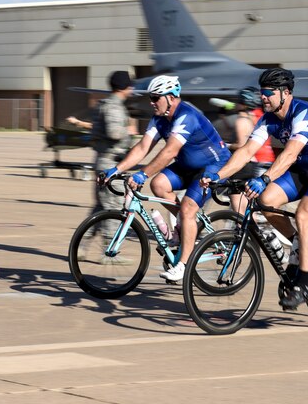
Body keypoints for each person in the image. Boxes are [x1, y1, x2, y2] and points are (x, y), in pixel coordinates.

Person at [203, 68, 308, 310]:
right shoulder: (268, 119)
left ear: (285, 93)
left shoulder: (304, 113)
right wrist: (217, 175)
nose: (263, 97)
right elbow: (246, 151)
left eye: (267, 93)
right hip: (303, 168)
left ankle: (303, 285)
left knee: (304, 215)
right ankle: (297, 243)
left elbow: (291, 152)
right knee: (266, 201)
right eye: (262, 92)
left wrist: (264, 178)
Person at [104, 74, 231, 282]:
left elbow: (170, 152)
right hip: (188, 164)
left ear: (171, 97)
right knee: (159, 184)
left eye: (156, 98)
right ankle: (184, 228)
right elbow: (143, 147)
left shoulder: (186, 116)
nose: (152, 102)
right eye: (150, 98)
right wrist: (116, 169)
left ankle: (183, 265)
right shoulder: (160, 118)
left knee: (188, 208)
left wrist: (143, 173)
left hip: (213, 166)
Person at [82, 70, 135, 226]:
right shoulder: (114, 106)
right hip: (111, 163)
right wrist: (129, 131)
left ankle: (82, 246)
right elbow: (114, 133)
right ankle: (110, 249)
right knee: (114, 212)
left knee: (100, 210)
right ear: (124, 87)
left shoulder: (104, 104)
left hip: (103, 161)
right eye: (130, 86)